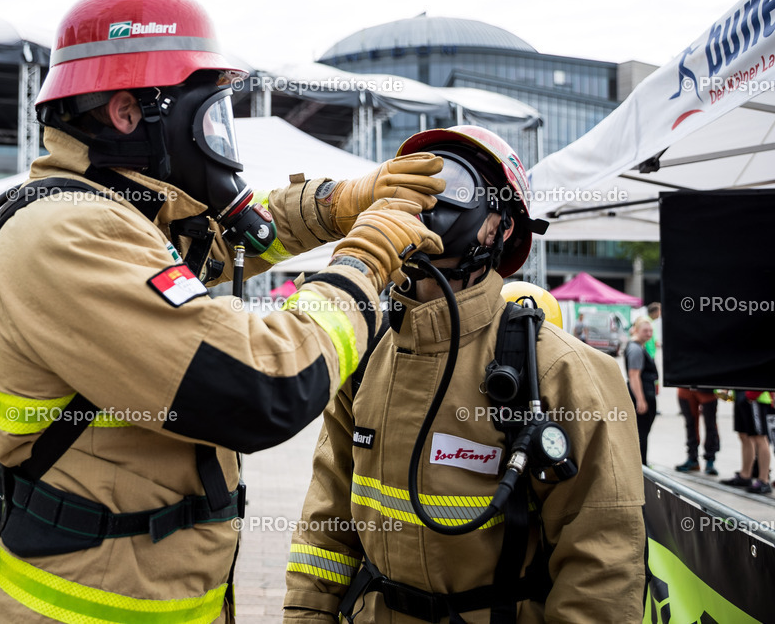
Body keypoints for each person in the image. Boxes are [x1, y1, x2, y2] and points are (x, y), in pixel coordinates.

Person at [0, 0, 446, 623]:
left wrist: (340, 203)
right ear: (127, 112)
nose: (219, 138)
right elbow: (265, 386)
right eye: (209, 114)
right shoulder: (72, 235)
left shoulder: (121, 217)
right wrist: (365, 259)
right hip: (80, 607)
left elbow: (229, 239)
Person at [283, 127, 645, 622]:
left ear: (502, 228)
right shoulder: (365, 353)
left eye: (453, 183)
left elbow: (602, 566)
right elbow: (327, 525)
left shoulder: (561, 369)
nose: (427, 198)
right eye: (413, 181)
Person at [720, 390, 772, 494]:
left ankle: (764, 480)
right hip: (741, 394)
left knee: (760, 437)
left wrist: (752, 394)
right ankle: (745, 475)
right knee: (744, 436)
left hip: (755, 395)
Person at [625, 316, 657, 465]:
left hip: (645, 393)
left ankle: (641, 464)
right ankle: (641, 465)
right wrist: (640, 399)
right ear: (636, 330)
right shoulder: (635, 349)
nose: (649, 333)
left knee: (642, 432)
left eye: (651, 331)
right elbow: (634, 375)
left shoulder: (640, 347)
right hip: (642, 394)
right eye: (645, 330)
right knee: (641, 433)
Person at [674, 388, 720, 475]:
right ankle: (692, 458)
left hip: (706, 388)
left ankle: (710, 460)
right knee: (690, 424)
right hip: (685, 388)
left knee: (710, 424)